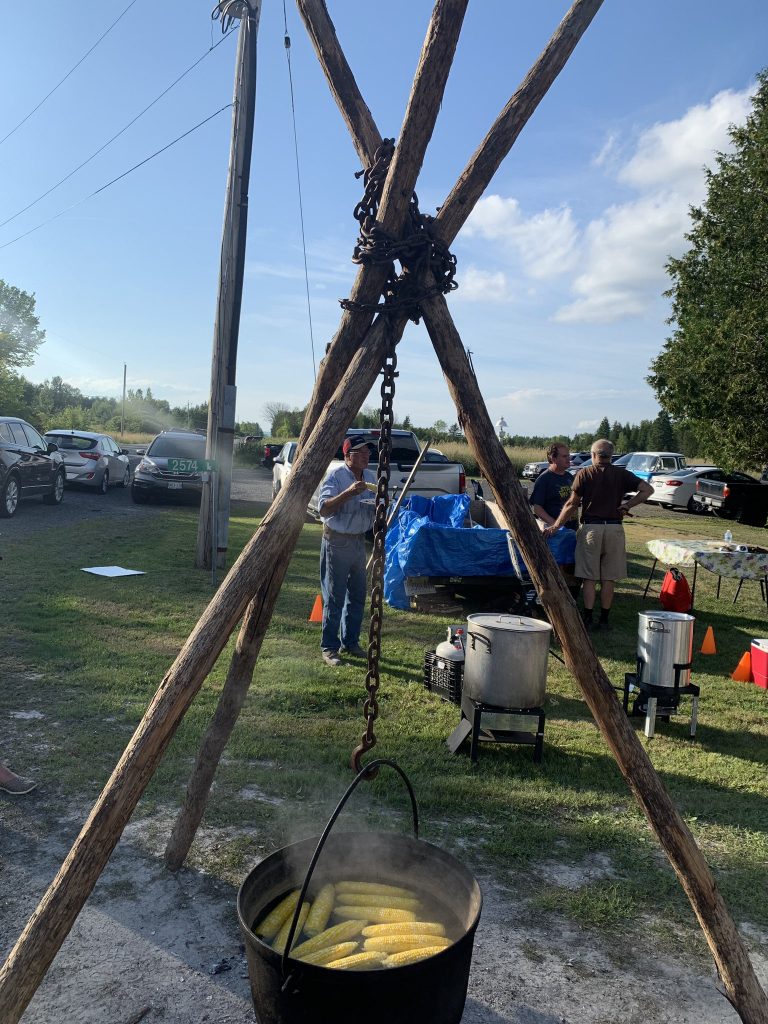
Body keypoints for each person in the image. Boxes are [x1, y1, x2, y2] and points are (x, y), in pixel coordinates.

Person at [545, 439, 653, 631]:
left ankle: (587, 618)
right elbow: (647, 489)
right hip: (614, 529)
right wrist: (627, 505)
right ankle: (604, 619)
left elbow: (571, 504)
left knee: (589, 577)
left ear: (593, 455)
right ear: (611, 455)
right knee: (608, 578)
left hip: (591, 530)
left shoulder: (584, 473)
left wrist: (555, 526)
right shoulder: (622, 474)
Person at [317, 434, 376, 666]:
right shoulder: (336, 477)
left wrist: (382, 503)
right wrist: (349, 493)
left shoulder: (370, 476)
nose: (366, 456)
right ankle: (329, 648)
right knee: (334, 597)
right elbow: (323, 508)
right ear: (347, 455)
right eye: (360, 452)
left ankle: (350, 642)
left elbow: (372, 504)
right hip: (337, 542)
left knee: (358, 596)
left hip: (358, 542)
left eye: (367, 452)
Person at [530, 442, 577, 530]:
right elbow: (537, 508)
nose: (568, 459)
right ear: (553, 458)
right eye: (564, 456)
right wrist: (556, 525)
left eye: (568, 456)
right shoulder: (544, 479)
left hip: (573, 530)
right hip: (556, 533)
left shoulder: (569, 477)